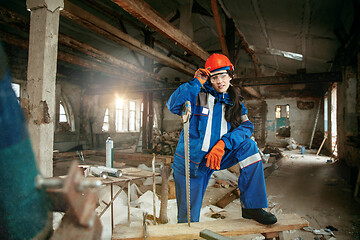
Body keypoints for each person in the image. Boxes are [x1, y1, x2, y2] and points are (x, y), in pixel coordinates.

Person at [167, 53, 277, 225]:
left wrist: (223, 144)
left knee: (249, 146)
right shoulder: (198, 95)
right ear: (209, 79)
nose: (220, 81)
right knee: (188, 220)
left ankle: (252, 206)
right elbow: (173, 105)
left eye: (223, 76)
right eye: (215, 77)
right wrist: (196, 82)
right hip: (191, 164)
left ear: (230, 76)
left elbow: (247, 127)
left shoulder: (235, 102)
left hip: (217, 157)